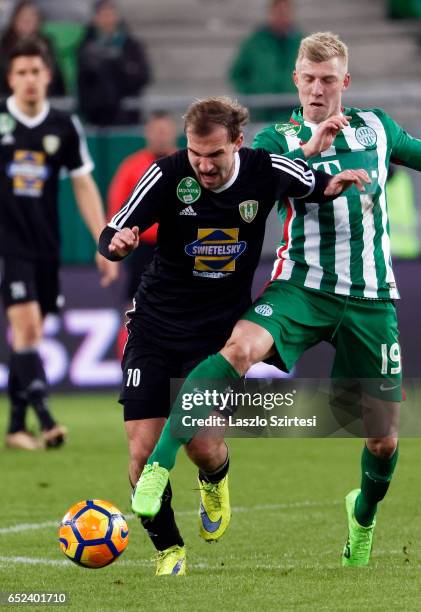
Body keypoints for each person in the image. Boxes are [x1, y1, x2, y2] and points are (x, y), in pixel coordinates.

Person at [133, 31, 421, 569]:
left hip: (371, 298)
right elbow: (242, 180)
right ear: (295, 80)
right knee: (238, 349)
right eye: (308, 79)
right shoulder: (274, 140)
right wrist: (309, 150)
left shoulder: (377, 127)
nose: (317, 90)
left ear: (345, 83)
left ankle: (362, 514)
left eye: (328, 81)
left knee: (382, 442)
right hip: (300, 287)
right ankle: (159, 467)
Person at [99, 95, 369, 575]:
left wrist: (334, 184)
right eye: (196, 153)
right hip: (156, 324)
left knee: (203, 446)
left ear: (237, 144)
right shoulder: (167, 174)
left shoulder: (264, 169)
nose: (203, 164)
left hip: (216, 335)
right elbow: (117, 227)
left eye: (214, 155)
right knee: (142, 451)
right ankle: (169, 551)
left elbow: (311, 181)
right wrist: (117, 243)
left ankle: (215, 476)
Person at [0, 38, 117, 451]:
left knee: (28, 336)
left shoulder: (64, 125)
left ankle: (16, 428)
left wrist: (102, 239)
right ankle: (47, 419)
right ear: (10, 79)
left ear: (48, 76)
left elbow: (84, 184)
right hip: (7, 245)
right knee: (27, 327)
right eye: (21, 73)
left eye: (36, 71)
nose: (30, 79)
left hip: (46, 245)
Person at [107, 112, 178, 358]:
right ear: (147, 133)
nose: (160, 136)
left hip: (178, 247)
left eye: (165, 131)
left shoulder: (187, 163)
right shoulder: (132, 166)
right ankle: (128, 363)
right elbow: (118, 208)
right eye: (156, 131)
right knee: (134, 308)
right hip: (143, 249)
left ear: (173, 133)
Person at [77, 0, 151, 126]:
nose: (107, 20)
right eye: (103, 15)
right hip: (94, 116)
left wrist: (120, 66)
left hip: (126, 114)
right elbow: (82, 80)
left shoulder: (132, 46)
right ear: (95, 18)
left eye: (110, 14)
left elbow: (144, 76)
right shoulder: (85, 47)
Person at [229, 0, 303, 121]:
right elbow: (237, 74)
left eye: (285, 12)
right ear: (270, 14)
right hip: (262, 117)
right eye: (278, 12)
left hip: (293, 116)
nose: (281, 17)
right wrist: (252, 93)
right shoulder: (254, 43)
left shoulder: (303, 43)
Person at [0, 0, 65, 96]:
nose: (27, 20)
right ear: (14, 20)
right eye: (22, 17)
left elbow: (56, 77)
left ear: (38, 21)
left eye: (32, 17)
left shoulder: (47, 43)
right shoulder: (4, 44)